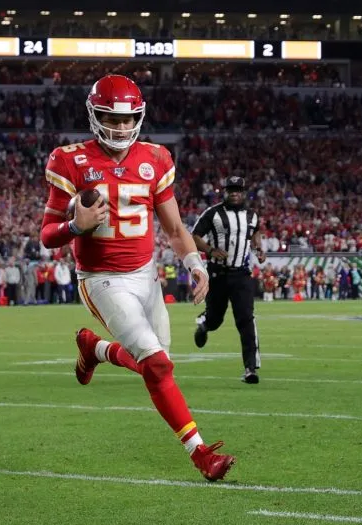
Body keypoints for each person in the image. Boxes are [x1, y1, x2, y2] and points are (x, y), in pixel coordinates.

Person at [39, 74, 235, 482]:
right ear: (95, 115)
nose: (122, 128)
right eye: (113, 118)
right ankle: (201, 454)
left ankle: (95, 350)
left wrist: (195, 265)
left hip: (145, 275)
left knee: (159, 363)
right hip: (101, 278)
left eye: (130, 120)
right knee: (158, 366)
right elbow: (47, 235)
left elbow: (176, 229)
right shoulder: (69, 160)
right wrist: (76, 226)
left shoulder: (157, 158)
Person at [191, 176, 265, 384]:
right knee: (216, 319)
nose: (234, 193)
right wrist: (210, 250)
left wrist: (258, 248)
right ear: (224, 192)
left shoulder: (252, 215)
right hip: (218, 275)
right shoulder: (213, 213)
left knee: (246, 320)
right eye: (230, 189)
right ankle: (205, 325)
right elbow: (194, 236)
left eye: (238, 190)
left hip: (242, 275)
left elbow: (256, 231)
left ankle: (250, 368)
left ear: (243, 193)